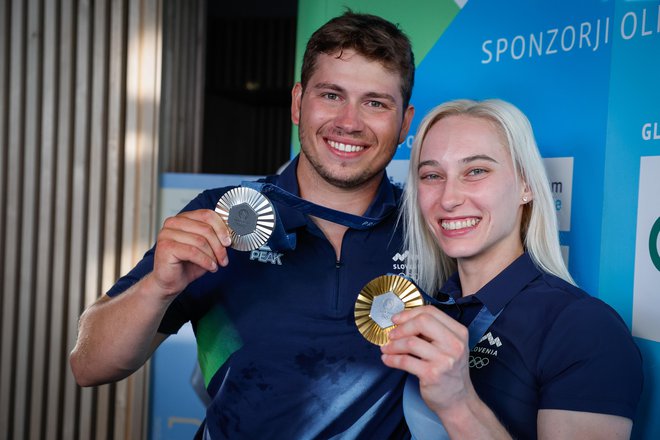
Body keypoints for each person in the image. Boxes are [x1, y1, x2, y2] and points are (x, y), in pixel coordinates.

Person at [69, 11, 415, 439]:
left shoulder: (429, 231)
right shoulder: (218, 214)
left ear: (405, 123)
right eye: (331, 95)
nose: (349, 121)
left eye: (375, 103)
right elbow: (88, 366)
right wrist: (158, 287)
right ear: (296, 102)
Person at [381, 99, 643, 439]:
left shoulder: (585, 327)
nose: (448, 198)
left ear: (526, 185)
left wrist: (458, 403)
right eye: (432, 175)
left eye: (476, 171)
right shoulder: (433, 306)